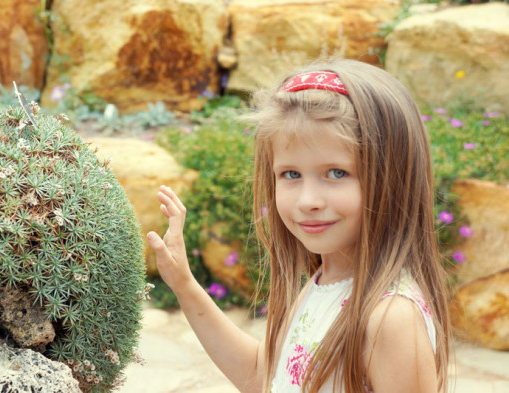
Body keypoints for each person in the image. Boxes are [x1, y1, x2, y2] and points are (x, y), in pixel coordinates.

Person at [147, 58, 450, 393]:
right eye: (291, 174)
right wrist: (183, 284)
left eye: (337, 173)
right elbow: (265, 378)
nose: (308, 200)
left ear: (392, 180)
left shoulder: (391, 319)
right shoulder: (327, 280)